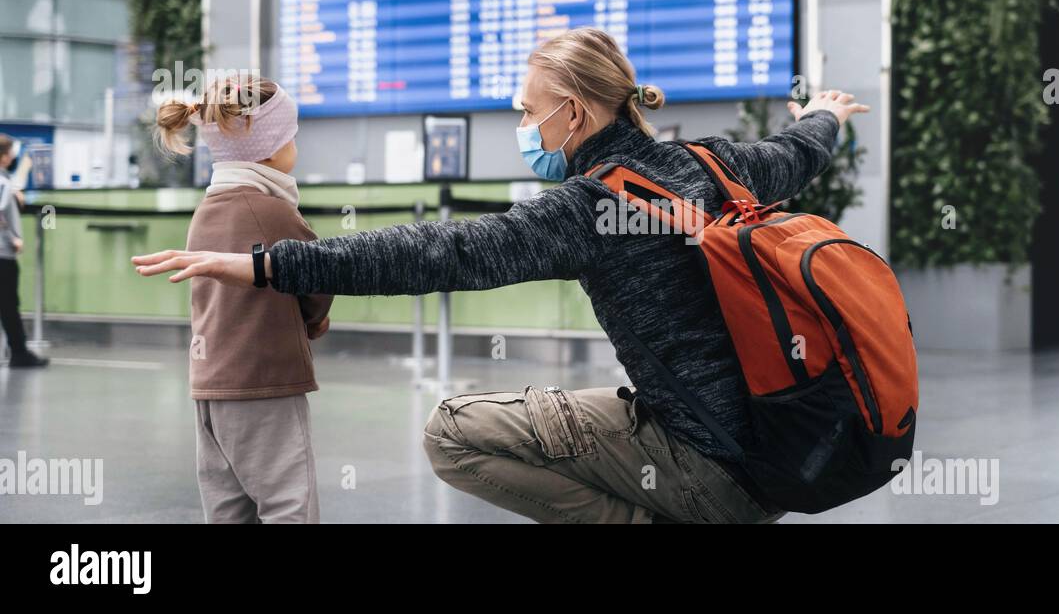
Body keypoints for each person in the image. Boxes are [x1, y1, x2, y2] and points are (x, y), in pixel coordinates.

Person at [132, 27, 870, 524]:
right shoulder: (716, 161)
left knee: (452, 432)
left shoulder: (587, 206)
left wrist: (263, 264)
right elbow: (795, 150)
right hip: (773, 449)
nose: (523, 125)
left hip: (707, 472)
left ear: (573, 113)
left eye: (527, 111)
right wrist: (827, 115)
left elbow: (437, 252)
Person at [154, 75, 334, 523]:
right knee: (289, 504)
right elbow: (317, 276)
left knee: (228, 511)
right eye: (292, 137)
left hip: (211, 385)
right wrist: (314, 322)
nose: (295, 147)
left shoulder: (207, 209)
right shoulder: (272, 210)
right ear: (271, 147)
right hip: (264, 382)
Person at [0, 134, 48, 368]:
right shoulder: (1, 182)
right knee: (9, 303)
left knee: (8, 302)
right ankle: (19, 351)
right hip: (2, 252)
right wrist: (13, 238)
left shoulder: (4, 181)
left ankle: (18, 349)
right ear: (5, 156)